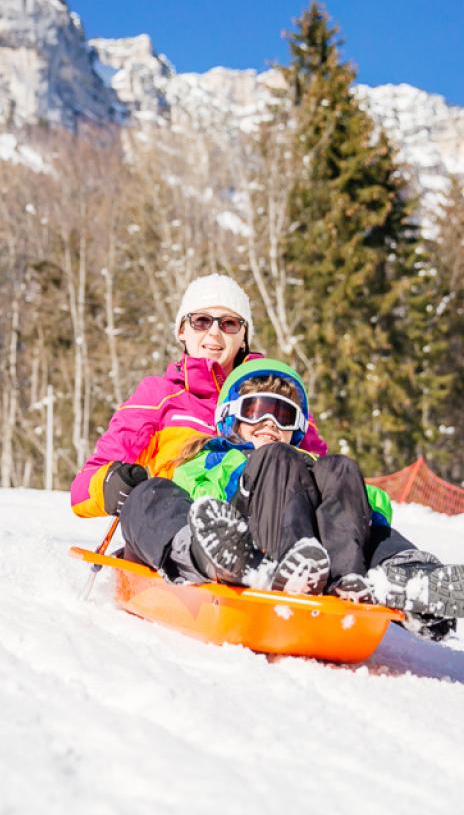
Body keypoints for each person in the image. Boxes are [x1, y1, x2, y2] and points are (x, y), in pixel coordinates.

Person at [118, 358, 461, 642]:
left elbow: (375, 505)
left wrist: (341, 489)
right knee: (148, 494)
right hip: (242, 545)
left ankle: (408, 580)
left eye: (282, 416)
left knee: (341, 471)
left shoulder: (309, 463)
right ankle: (214, 557)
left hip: (330, 563)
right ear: (230, 417)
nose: (268, 423)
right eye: (255, 410)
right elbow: (192, 496)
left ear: (296, 425)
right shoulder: (213, 458)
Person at [70, 273, 326, 519]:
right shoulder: (158, 396)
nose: (215, 333)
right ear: (182, 329)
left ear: (243, 337)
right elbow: (82, 490)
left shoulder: (277, 395)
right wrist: (110, 484)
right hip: (177, 525)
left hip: (266, 523)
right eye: (201, 321)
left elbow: (319, 469)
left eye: (229, 323)